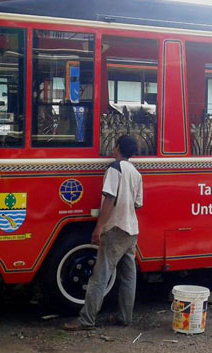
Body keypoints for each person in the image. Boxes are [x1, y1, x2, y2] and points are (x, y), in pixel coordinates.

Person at [64, 135, 143, 330]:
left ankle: (87, 320)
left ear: (118, 148)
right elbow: (138, 203)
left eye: (114, 146)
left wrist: (99, 227)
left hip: (115, 228)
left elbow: (109, 199)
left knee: (100, 276)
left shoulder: (114, 169)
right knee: (128, 277)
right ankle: (125, 317)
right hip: (132, 229)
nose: (112, 150)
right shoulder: (136, 173)